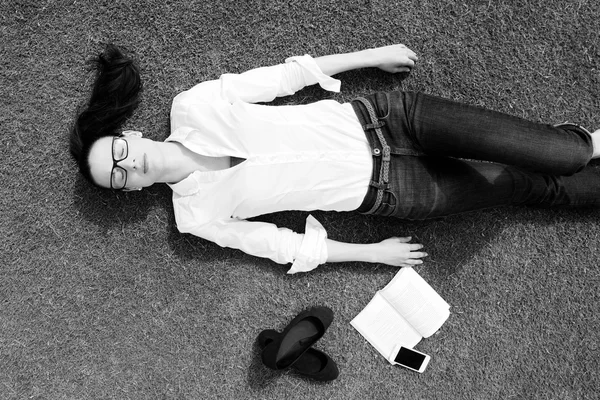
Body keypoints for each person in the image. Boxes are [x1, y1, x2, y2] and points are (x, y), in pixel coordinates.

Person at [70, 44, 600, 274]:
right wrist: (372, 254)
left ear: (130, 133)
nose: (129, 166)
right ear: (131, 192)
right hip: (396, 192)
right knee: (527, 186)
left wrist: (372, 57)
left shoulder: (193, 106)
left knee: (563, 151)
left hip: (389, 119)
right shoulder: (194, 218)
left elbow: (284, 78)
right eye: (118, 178)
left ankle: (585, 146)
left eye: (119, 152)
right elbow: (279, 245)